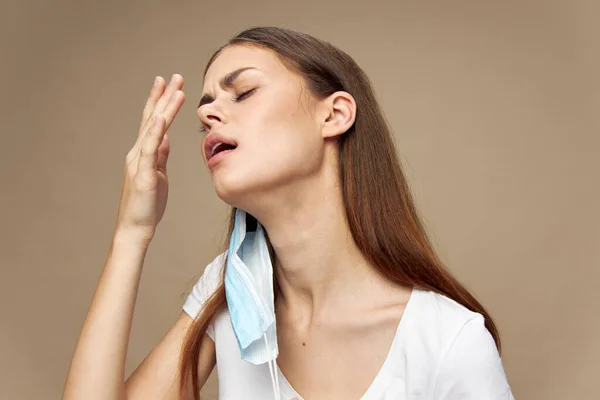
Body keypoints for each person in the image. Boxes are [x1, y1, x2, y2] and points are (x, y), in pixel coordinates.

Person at [62, 27, 515, 400]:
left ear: (334, 114)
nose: (211, 113)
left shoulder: (450, 341)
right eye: (204, 117)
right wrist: (132, 231)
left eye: (242, 93)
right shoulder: (230, 294)